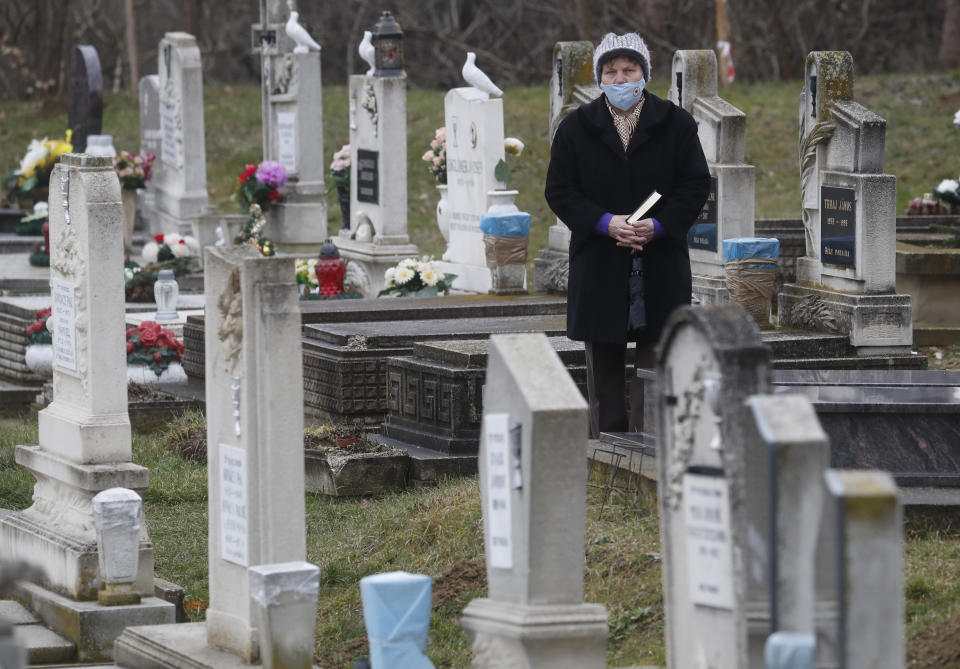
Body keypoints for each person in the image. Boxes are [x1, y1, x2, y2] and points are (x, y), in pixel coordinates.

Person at [545, 32, 710, 438]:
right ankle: (607, 451)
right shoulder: (576, 127)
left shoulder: (675, 123)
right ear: (600, 78)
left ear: (644, 74)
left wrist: (659, 226)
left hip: (660, 260)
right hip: (600, 259)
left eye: (629, 70)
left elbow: (694, 184)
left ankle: (652, 448)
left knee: (657, 362)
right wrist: (605, 223)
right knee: (603, 367)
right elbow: (560, 190)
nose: (620, 79)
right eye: (611, 71)